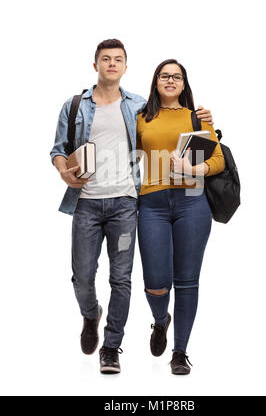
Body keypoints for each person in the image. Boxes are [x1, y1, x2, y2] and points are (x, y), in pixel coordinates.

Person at [50, 40, 213, 374]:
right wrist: (64, 170)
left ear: (126, 67)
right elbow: (59, 149)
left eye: (118, 59)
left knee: (123, 279)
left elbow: (198, 144)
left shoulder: (141, 107)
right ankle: (98, 314)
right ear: (95, 65)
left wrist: (201, 126)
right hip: (93, 203)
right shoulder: (77, 106)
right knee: (83, 276)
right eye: (105, 59)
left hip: (128, 204)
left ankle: (112, 347)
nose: (112, 64)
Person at [137, 59, 225, 375]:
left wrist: (194, 169)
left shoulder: (197, 118)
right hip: (151, 204)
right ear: (156, 81)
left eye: (177, 76)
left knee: (186, 282)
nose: (171, 80)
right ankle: (161, 321)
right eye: (165, 75)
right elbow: (125, 156)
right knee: (155, 283)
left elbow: (217, 160)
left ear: (184, 83)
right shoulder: (140, 117)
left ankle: (180, 352)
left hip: (192, 203)